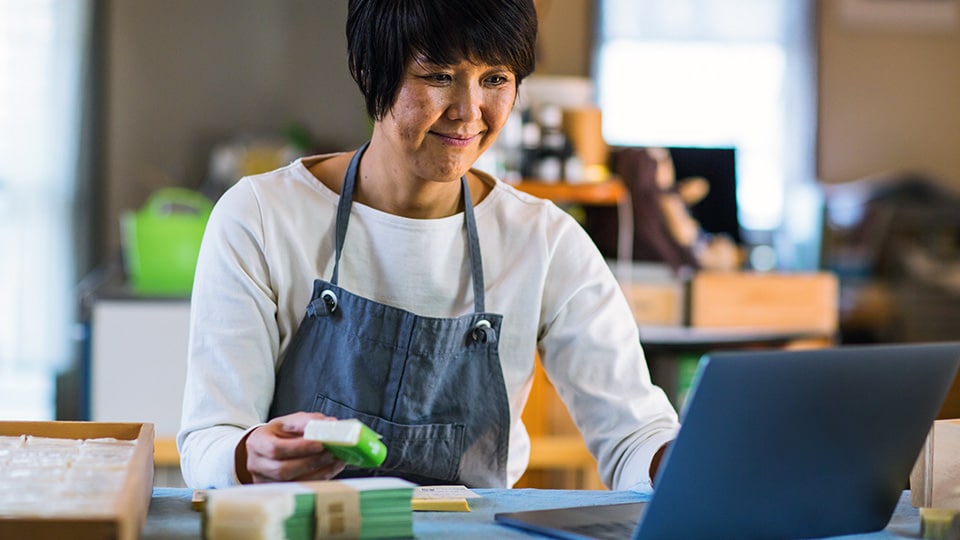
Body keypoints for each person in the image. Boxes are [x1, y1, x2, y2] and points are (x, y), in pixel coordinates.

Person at [177, 0, 679, 490]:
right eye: (438, 76)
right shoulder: (261, 217)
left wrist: (679, 461)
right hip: (306, 525)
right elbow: (209, 442)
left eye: (495, 79)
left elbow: (634, 435)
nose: (468, 112)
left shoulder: (544, 241)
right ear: (368, 68)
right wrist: (247, 456)